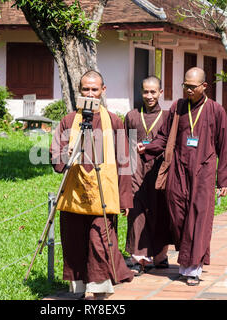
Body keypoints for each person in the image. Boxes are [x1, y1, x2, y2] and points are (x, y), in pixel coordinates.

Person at [137, 67, 227, 286]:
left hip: (203, 172)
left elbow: (224, 147)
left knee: (199, 218)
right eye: (185, 86)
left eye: (193, 87)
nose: (188, 90)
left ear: (204, 86)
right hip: (178, 171)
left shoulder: (215, 110)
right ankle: (187, 261)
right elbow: (164, 137)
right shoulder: (178, 107)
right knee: (179, 216)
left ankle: (192, 269)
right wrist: (148, 148)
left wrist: (224, 180)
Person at [50, 70, 134, 300]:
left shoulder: (114, 121)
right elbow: (54, 155)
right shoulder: (69, 120)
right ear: (79, 91)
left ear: (103, 91)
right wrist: (65, 156)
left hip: (104, 194)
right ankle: (79, 286)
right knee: (75, 241)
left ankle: (98, 288)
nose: (90, 94)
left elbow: (125, 161)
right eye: (85, 89)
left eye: (94, 89)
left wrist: (125, 198)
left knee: (99, 241)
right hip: (75, 194)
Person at [124, 76, 173, 275]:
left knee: (161, 212)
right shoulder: (132, 116)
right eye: (146, 91)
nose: (149, 96)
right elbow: (124, 147)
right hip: (136, 170)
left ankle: (160, 255)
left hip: (159, 171)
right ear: (141, 92)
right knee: (136, 212)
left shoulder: (168, 116)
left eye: (153, 92)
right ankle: (138, 257)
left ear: (161, 92)